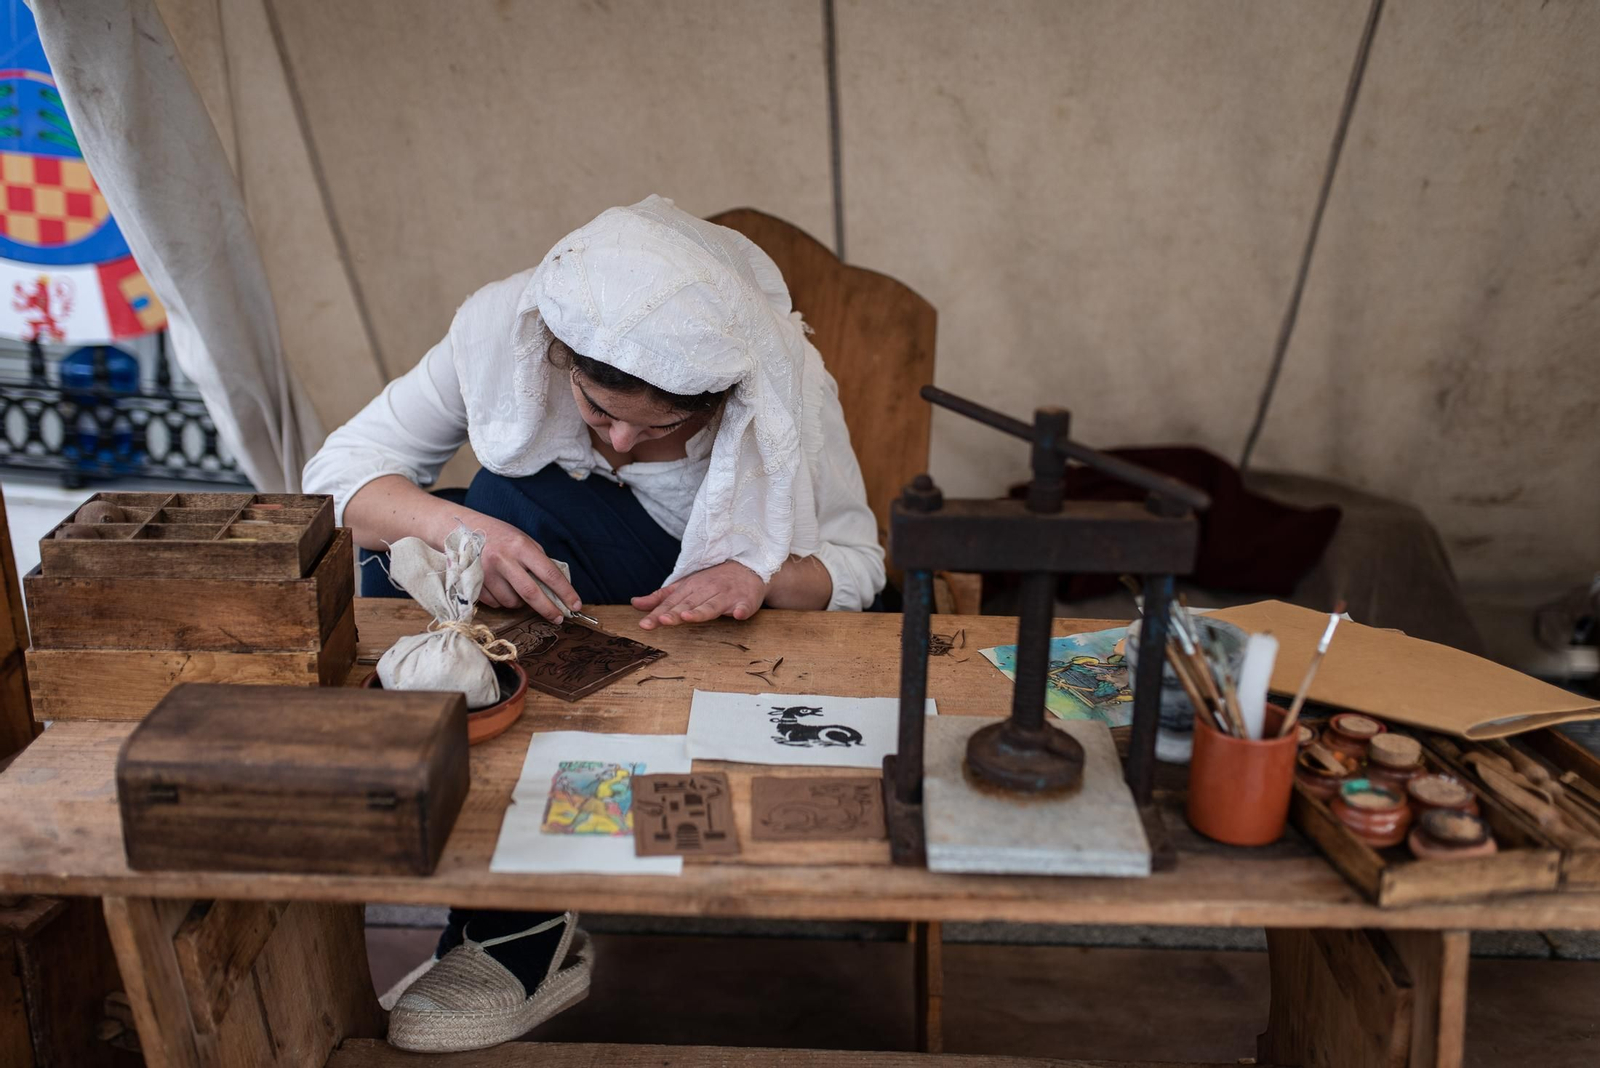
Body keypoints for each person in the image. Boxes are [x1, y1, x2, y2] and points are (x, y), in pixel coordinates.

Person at [302, 196, 885, 1052]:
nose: (613, 440)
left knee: (500, 500)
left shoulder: (781, 378)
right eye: (595, 407)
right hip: (561, 591)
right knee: (417, 544)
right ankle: (486, 897)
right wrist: (458, 530)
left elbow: (860, 566)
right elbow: (335, 479)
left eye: (654, 429)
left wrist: (756, 574)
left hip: (693, 617)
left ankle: (515, 935)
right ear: (560, 356)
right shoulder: (508, 326)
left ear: (718, 400)